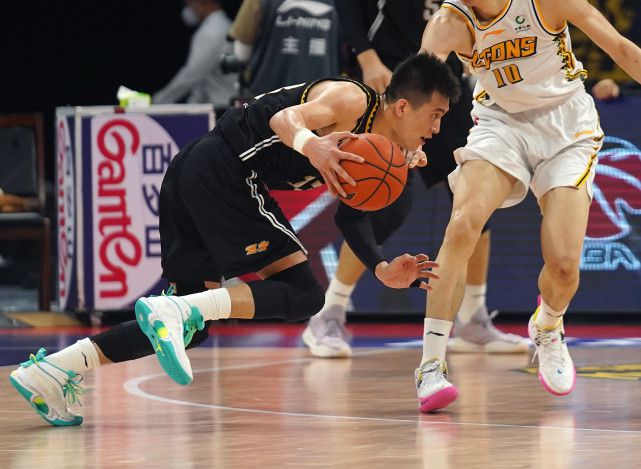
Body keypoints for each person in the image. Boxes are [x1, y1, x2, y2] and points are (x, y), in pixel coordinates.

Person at [9, 53, 460, 426]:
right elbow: (288, 118)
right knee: (305, 294)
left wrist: (380, 267)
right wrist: (312, 145)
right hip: (225, 169)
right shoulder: (350, 99)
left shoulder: (375, 151)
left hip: (195, 173)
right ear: (403, 106)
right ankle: (175, 309)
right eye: (435, 114)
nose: (437, 129)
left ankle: (54, 369)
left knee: (191, 328)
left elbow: (350, 217)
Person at [414, 0, 641, 413]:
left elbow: (621, 49)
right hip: (500, 124)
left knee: (564, 266)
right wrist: (409, 139)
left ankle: (549, 325)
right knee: (462, 223)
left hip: (567, 126)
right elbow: (420, 86)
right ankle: (430, 366)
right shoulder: (450, 21)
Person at [302, 0, 529, 359]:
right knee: (383, 200)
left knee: (476, 193)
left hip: (444, 80)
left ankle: (473, 318)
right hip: (392, 72)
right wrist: (366, 56)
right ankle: (330, 311)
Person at [227, 0, 340, 96]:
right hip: (322, 99)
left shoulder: (257, 1)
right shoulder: (342, 4)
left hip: (267, 102)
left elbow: (241, 54)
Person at [153, 0, 236, 110]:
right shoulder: (224, 25)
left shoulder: (212, 31)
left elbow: (191, 75)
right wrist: (192, 104)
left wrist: (156, 102)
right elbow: (205, 77)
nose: (187, 9)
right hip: (221, 104)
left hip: (222, 107)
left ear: (202, 2)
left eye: (189, 4)